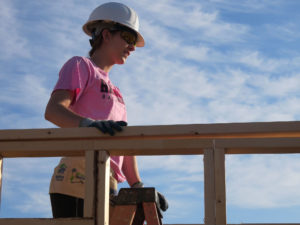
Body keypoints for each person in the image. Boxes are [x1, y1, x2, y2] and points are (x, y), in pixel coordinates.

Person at [44, 2, 150, 218]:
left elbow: (123, 142)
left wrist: (138, 186)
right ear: (106, 34)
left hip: (107, 179)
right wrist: (88, 126)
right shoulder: (81, 66)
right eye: (128, 38)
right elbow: (54, 110)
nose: (132, 48)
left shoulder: (117, 94)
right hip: (76, 176)